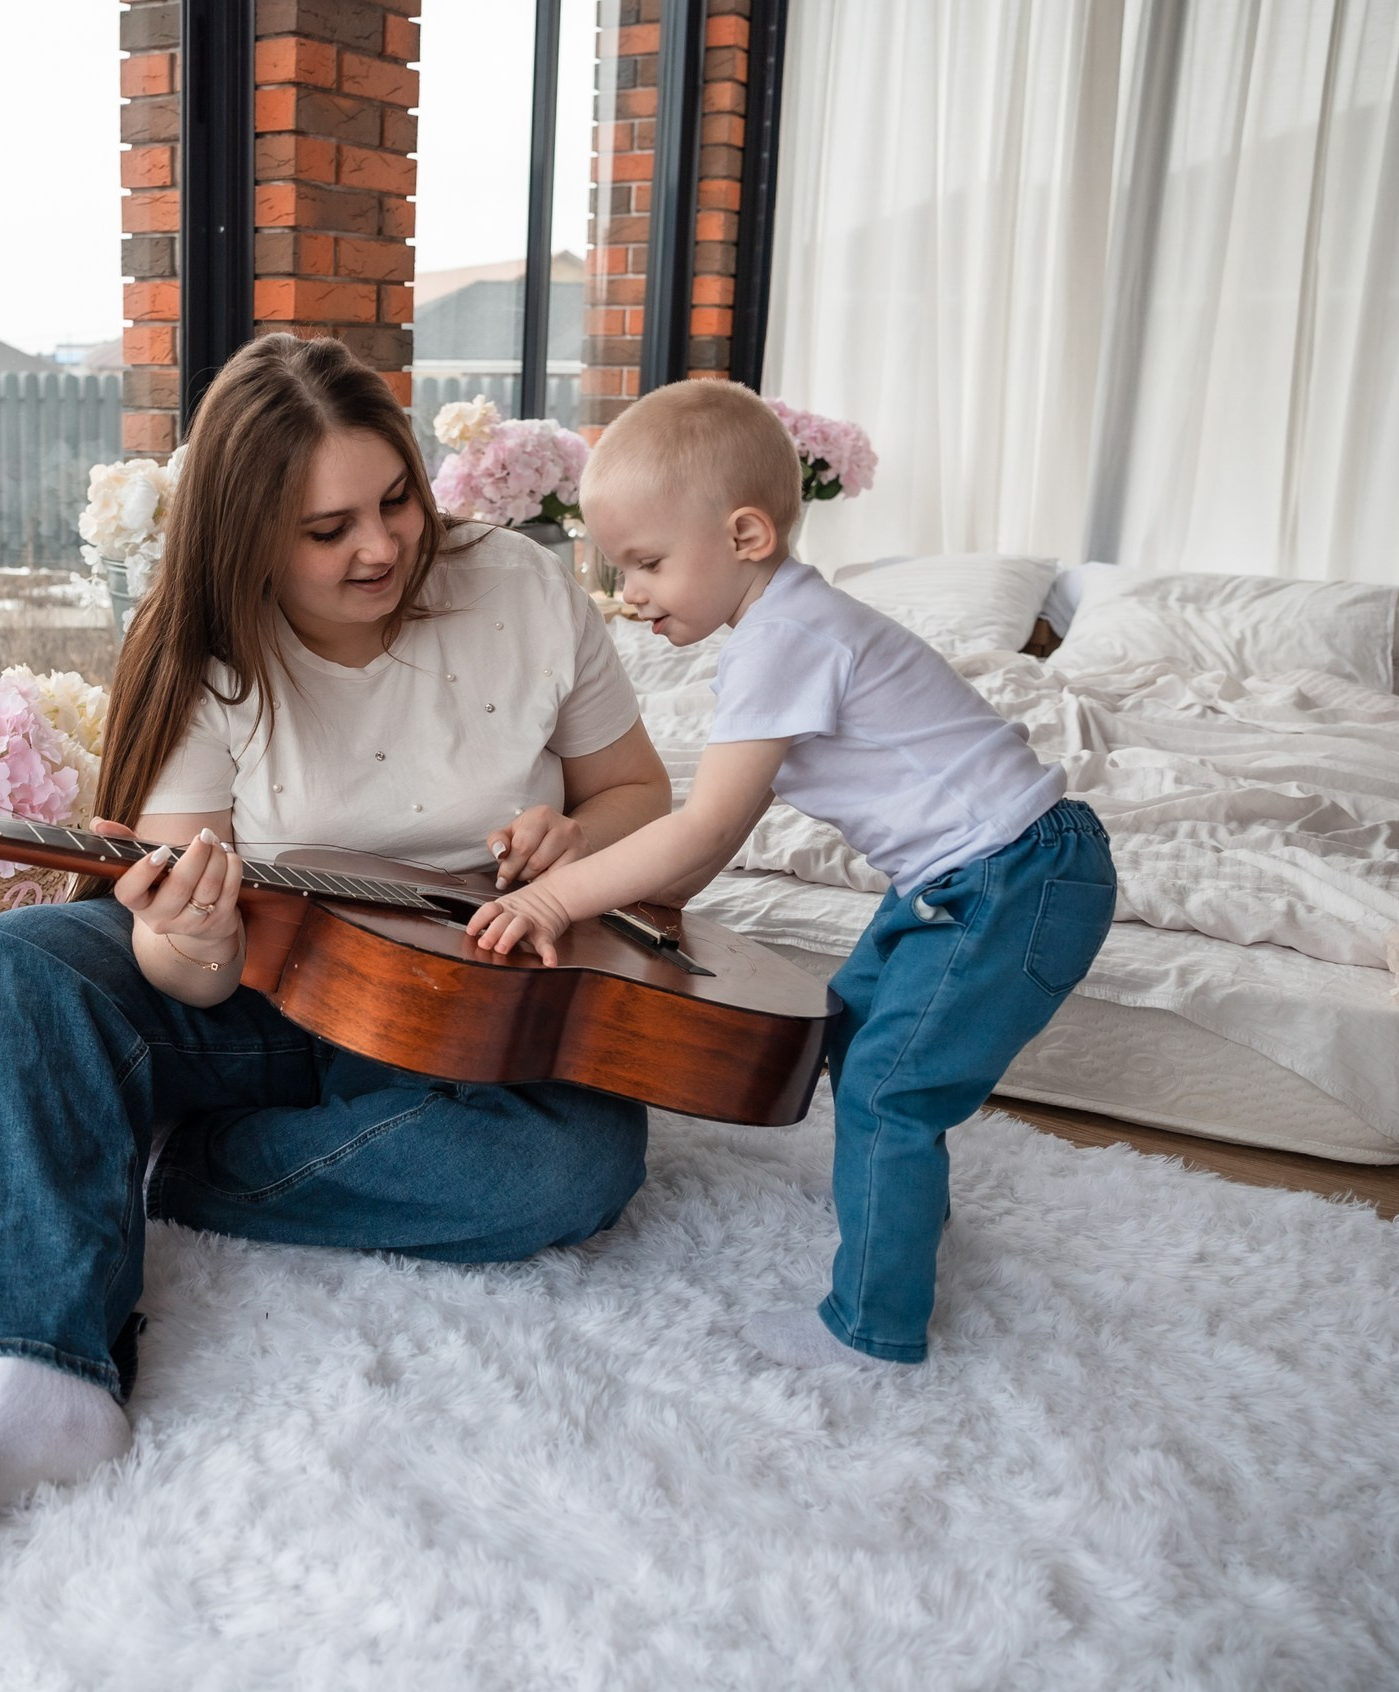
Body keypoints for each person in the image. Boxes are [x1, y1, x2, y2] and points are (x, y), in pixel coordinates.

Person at [0, 334, 675, 1543]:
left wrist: (575, 838)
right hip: (258, 983)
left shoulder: (523, 589)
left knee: (581, 1160)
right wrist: (189, 935)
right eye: (327, 530)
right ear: (249, 534)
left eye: (394, 502)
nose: (377, 545)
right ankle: (32, 1379)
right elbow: (188, 971)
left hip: (470, 995)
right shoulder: (199, 653)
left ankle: (182, 1165)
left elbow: (639, 794)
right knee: (20, 965)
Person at [467, 379, 1116, 1371]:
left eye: (646, 562)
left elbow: (703, 825)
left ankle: (872, 1327)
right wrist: (649, 896)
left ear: (746, 535)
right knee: (855, 1030)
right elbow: (720, 824)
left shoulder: (781, 639)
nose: (629, 592)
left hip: (1006, 878)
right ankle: (898, 1204)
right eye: (617, 566)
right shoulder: (790, 627)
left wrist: (554, 894)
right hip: (967, 877)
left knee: (891, 1092)